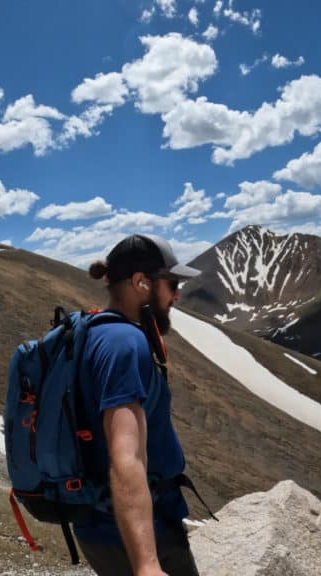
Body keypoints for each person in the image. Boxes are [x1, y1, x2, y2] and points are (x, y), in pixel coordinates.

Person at [74, 234, 201, 576]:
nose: (176, 294)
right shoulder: (126, 344)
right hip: (140, 533)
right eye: (171, 283)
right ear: (140, 282)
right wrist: (146, 564)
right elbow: (126, 457)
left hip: (101, 526)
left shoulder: (96, 331)